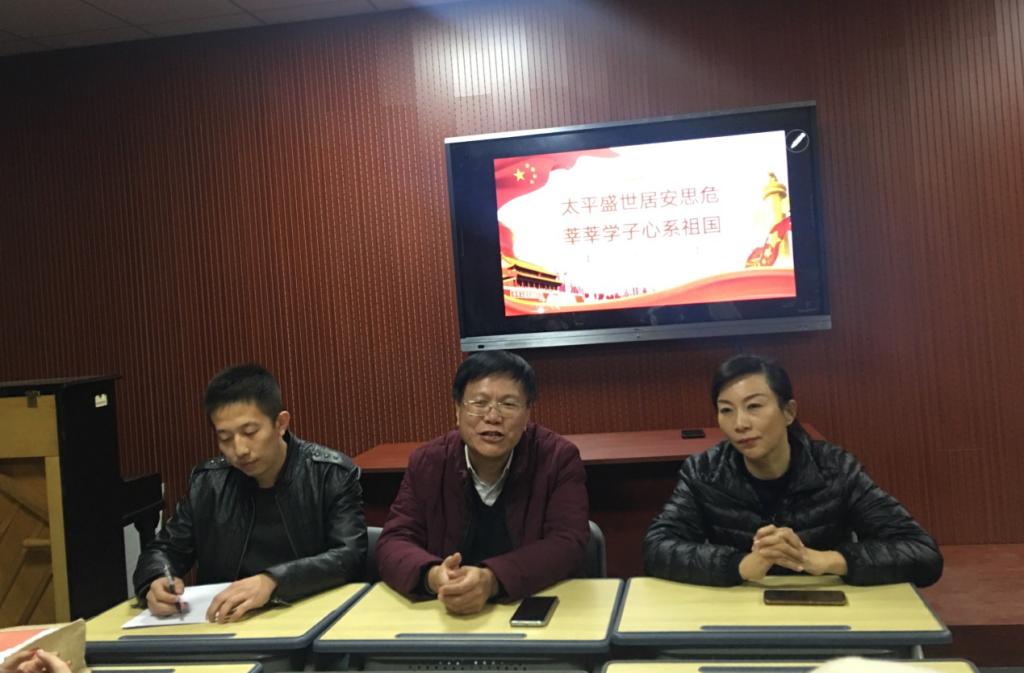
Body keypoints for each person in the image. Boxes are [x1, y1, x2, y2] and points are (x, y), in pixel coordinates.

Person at [643, 354, 942, 587]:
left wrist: (824, 560)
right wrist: (739, 565)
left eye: (754, 406)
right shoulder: (704, 472)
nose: (740, 424)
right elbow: (656, 548)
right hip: (741, 613)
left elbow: (922, 553)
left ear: (788, 412)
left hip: (825, 609)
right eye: (726, 410)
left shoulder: (836, 469)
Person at [133, 363, 367, 622]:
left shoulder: (330, 474)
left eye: (250, 432)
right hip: (225, 626)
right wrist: (156, 579)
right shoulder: (209, 484)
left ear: (280, 423)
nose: (240, 449)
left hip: (309, 621)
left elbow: (348, 557)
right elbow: (163, 550)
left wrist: (273, 581)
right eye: (225, 438)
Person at [376, 350, 589, 615]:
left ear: (527, 415)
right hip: (444, 612)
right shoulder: (428, 462)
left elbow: (568, 543)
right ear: (457, 410)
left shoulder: (557, 458)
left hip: (528, 606)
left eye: (508, 404)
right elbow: (394, 541)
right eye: (479, 403)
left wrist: (492, 580)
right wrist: (434, 577)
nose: (493, 417)